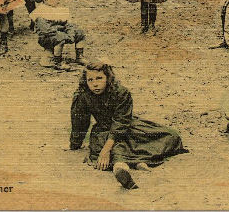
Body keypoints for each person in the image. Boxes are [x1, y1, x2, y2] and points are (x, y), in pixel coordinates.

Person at [70, 61, 186, 190]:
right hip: (102, 131)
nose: (95, 83)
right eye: (90, 80)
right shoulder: (83, 96)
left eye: (99, 78)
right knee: (115, 146)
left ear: (108, 78)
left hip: (126, 127)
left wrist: (106, 149)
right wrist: (75, 143)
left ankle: (131, 163)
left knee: (171, 136)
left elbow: (121, 122)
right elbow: (79, 121)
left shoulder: (121, 93)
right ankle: (121, 167)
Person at [31, 0, 86, 71]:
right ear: (45, 0)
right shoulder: (41, 12)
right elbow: (46, 30)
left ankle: (79, 56)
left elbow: (68, 23)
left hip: (62, 32)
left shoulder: (60, 9)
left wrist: (70, 32)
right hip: (47, 37)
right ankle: (57, 61)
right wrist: (63, 35)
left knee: (79, 32)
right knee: (59, 38)